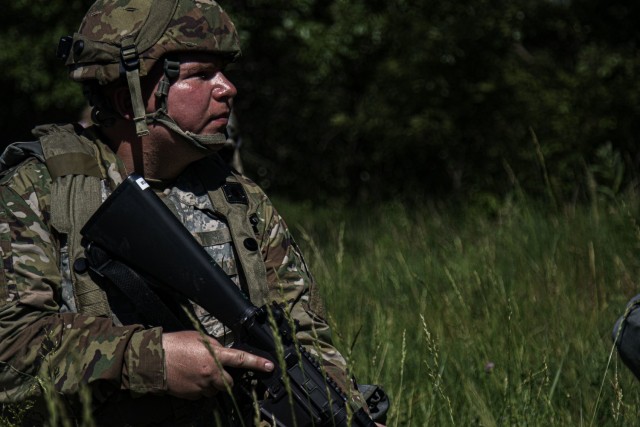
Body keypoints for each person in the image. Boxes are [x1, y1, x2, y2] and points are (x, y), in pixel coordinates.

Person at [0, 0, 384, 425]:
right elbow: (11, 353)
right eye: (201, 74)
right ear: (128, 99)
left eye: (224, 71)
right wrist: (150, 359)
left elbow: (307, 341)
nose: (227, 88)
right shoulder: (38, 191)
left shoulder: (240, 199)